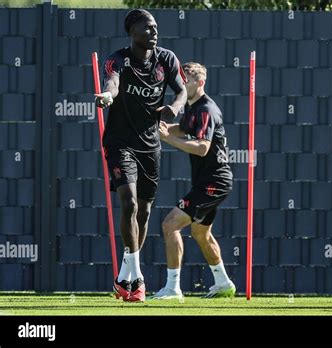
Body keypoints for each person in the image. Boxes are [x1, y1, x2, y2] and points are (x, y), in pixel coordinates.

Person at [94, 9, 187, 302]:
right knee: (130, 202)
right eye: (147, 28)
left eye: (155, 27)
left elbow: (182, 91)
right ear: (132, 32)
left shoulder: (166, 59)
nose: (154, 32)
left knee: (144, 212)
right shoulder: (118, 58)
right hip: (120, 142)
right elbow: (112, 83)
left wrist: (176, 106)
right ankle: (138, 279)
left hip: (150, 144)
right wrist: (107, 96)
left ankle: (125, 278)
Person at [153, 62, 235, 300]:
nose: (181, 83)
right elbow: (184, 128)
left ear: (200, 83)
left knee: (170, 225)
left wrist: (167, 139)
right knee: (200, 233)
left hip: (214, 181)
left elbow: (201, 148)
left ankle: (172, 289)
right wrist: (163, 127)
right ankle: (224, 283)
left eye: (186, 80)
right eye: (180, 79)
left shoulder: (205, 108)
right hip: (208, 181)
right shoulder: (191, 107)